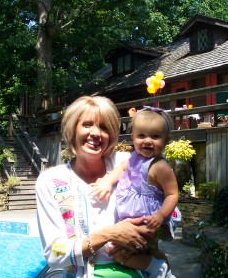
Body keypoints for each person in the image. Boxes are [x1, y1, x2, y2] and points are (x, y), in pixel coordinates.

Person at [35, 96, 155, 278]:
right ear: (73, 130)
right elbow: (55, 253)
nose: (96, 133)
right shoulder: (51, 181)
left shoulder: (128, 164)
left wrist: (154, 243)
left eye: (104, 127)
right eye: (87, 124)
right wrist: (109, 234)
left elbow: (169, 210)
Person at [91, 106, 179, 278]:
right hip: (133, 217)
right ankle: (163, 269)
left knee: (118, 253)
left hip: (149, 220)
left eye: (155, 136)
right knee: (147, 250)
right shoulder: (134, 157)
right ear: (133, 137)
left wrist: (161, 216)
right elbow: (122, 168)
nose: (147, 141)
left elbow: (173, 194)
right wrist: (108, 181)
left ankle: (158, 269)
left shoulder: (159, 166)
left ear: (166, 140)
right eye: (141, 136)